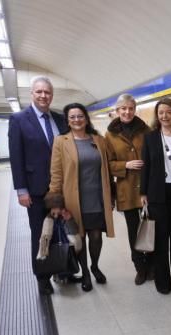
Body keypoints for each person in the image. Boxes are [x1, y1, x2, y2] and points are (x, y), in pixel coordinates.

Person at [45, 103, 115, 292]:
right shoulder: (61, 141)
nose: (77, 120)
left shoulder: (98, 140)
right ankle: (85, 272)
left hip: (97, 197)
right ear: (67, 120)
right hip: (73, 199)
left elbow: (107, 168)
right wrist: (55, 202)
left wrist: (112, 196)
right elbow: (56, 173)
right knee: (80, 237)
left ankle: (95, 266)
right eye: (72, 117)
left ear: (86, 118)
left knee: (96, 236)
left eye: (80, 116)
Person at [9, 76, 67, 295]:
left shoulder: (60, 119)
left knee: (61, 230)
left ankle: (62, 269)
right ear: (31, 93)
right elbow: (16, 156)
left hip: (59, 188)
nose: (44, 96)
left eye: (48, 92)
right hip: (35, 189)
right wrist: (21, 190)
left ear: (52, 95)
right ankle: (42, 276)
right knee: (40, 233)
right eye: (39, 92)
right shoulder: (19, 119)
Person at [141, 98, 171, 294]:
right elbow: (146, 166)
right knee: (161, 238)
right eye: (161, 112)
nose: (165, 116)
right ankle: (163, 281)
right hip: (157, 194)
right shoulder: (150, 138)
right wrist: (143, 192)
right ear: (157, 115)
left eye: (169, 112)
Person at [105, 93, 153, 285]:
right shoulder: (109, 135)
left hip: (147, 189)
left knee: (149, 229)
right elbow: (107, 164)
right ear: (117, 111)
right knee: (134, 232)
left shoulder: (146, 131)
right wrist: (125, 165)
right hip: (126, 191)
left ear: (135, 109)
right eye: (123, 108)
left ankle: (151, 266)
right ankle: (139, 268)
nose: (127, 112)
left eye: (130, 108)